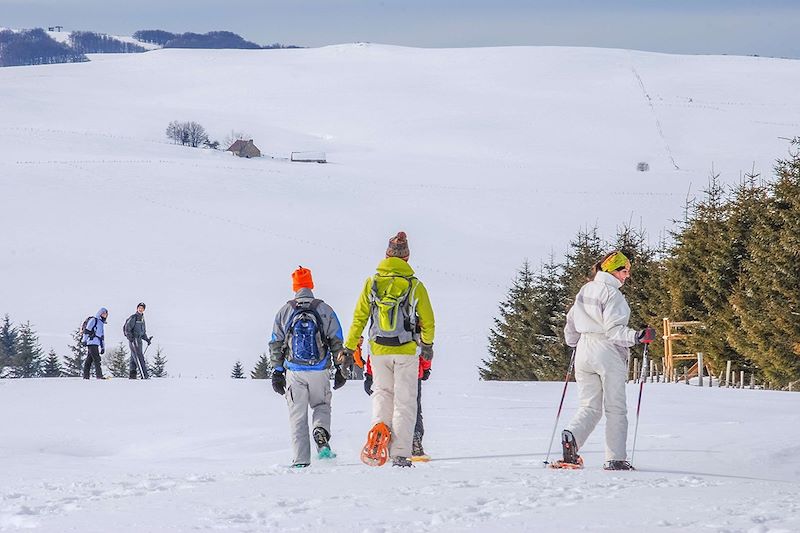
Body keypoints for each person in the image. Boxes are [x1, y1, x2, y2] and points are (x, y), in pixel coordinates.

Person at [339, 231, 435, 468]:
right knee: (405, 401)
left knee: (382, 393)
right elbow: (428, 320)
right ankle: (400, 452)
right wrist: (428, 345)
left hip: (379, 351)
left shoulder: (372, 283)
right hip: (406, 351)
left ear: (386, 255)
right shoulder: (415, 285)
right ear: (407, 257)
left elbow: (359, 318)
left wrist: (350, 348)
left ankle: (379, 431)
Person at [559, 251, 656, 471]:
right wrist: (638, 336)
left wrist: (574, 342)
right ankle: (616, 459)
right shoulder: (613, 295)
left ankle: (572, 437)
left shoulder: (586, 290)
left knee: (589, 406)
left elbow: (571, 322)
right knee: (615, 408)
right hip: (607, 351)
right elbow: (614, 331)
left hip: (584, 350)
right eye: (623, 271)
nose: (626, 276)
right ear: (611, 270)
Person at [268, 266, 345, 468]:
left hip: (294, 371)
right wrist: (340, 368)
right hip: (319, 370)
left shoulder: (285, 311)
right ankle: (320, 432)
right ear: (311, 285)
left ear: (295, 287)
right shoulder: (324, 309)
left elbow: (276, 343)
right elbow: (337, 340)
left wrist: (277, 371)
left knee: (297, 415)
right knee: (321, 405)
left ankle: (301, 460)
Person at [364, 352, 432, 461]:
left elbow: (373, 346)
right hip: (410, 369)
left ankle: (379, 440)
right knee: (410, 408)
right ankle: (414, 440)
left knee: (385, 406)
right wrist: (426, 366)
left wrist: (369, 373)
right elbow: (423, 344)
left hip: (382, 363)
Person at [124, 302, 153, 379]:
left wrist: (147, 339)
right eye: (139, 308)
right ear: (137, 308)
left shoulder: (142, 319)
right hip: (134, 340)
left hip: (139, 340)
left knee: (133, 358)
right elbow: (127, 328)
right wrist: (130, 338)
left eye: (142, 308)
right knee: (139, 357)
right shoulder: (134, 317)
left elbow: (143, 332)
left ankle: (132, 375)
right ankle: (144, 375)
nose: (141, 309)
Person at [82, 307, 108, 380]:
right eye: (103, 313)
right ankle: (99, 376)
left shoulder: (101, 323)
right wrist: (84, 340)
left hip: (96, 343)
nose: (104, 315)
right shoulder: (94, 320)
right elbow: (87, 330)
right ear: (100, 313)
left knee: (89, 360)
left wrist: (103, 347)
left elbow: (102, 337)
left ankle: (86, 376)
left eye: (106, 314)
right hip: (91, 342)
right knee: (97, 359)